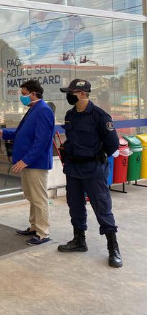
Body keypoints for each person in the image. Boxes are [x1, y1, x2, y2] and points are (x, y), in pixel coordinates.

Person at [58, 79, 122, 268]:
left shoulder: (100, 116)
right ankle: (79, 240)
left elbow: (113, 144)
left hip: (93, 170)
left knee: (102, 207)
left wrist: (97, 157)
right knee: (75, 205)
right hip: (73, 169)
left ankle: (113, 248)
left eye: (71, 92)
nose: (68, 96)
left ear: (82, 94)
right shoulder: (70, 115)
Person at [0, 79, 55, 245]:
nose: (22, 97)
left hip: (35, 163)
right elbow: (23, 133)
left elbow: (41, 141)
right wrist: (4, 133)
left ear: (33, 94)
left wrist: (26, 160)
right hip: (28, 162)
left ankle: (43, 232)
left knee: (39, 198)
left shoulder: (43, 111)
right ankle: (34, 226)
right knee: (32, 196)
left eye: (24, 94)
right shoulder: (33, 109)